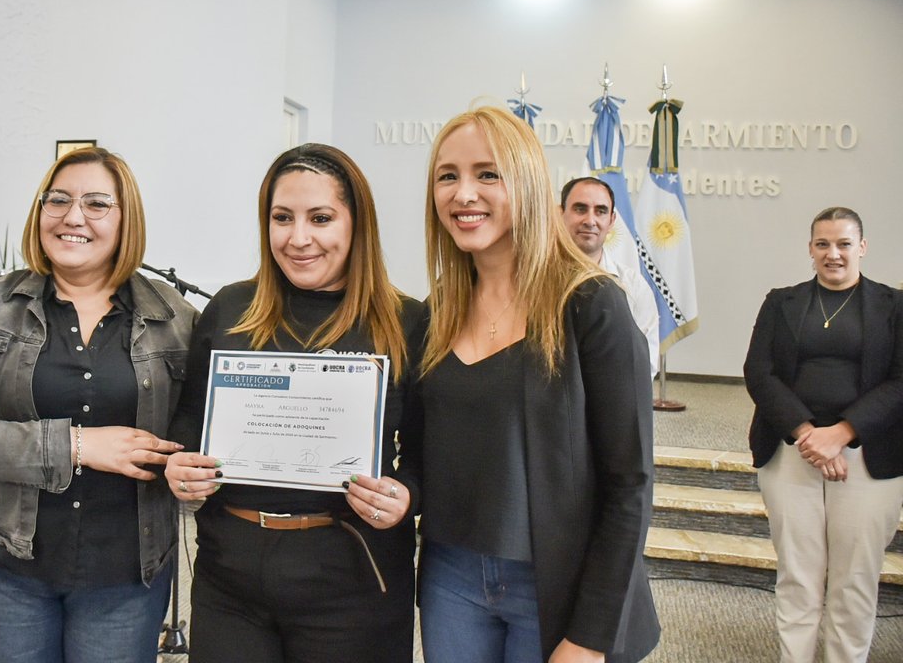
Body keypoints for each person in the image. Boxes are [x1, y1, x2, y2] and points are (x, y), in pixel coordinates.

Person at [0, 146, 198, 663]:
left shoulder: (176, 318)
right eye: (59, 200)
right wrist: (77, 445)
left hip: (127, 576)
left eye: (97, 204)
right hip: (11, 568)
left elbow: (191, 441)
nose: (73, 216)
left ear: (126, 220)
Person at [412, 106, 660, 663]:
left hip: (556, 583)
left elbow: (631, 482)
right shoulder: (436, 314)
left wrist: (592, 636)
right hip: (451, 577)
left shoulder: (593, 305)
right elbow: (423, 455)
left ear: (525, 181)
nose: (463, 194)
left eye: (487, 173)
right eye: (447, 176)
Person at [165, 143, 423, 663]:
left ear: (357, 224)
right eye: (282, 218)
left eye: (321, 218)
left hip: (353, 582)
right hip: (230, 582)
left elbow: (431, 455)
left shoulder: (407, 322)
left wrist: (406, 497)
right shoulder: (231, 309)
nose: (298, 238)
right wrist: (179, 467)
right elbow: (189, 426)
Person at [744, 206, 903, 663]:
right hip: (793, 451)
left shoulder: (894, 307)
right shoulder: (782, 302)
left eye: (843, 244)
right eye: (822, 244)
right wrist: (808, 434)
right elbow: (759, 372)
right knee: (798, 574)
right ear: (810, 249)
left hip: (871, 456)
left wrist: (844, 433)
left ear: (862, 248)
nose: (833, 254)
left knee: (855, 578)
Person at [560, 176, 660, 380]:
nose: (590, 220)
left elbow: (644, 364)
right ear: (561, 214)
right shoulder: (535, 281)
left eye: (601, 211)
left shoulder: (634, 287)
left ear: (612, 220)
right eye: (580, 209)